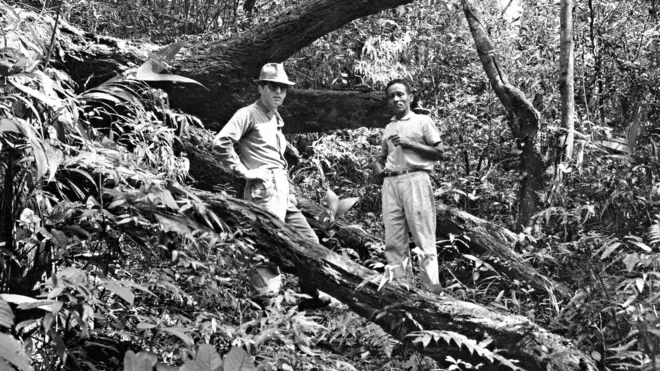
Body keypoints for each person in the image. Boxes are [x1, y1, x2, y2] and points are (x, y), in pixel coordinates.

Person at [213, 62, 330, 310]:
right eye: (274, 87)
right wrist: (243, 171)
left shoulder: (274, 118)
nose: (279, 93)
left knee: (310, 242)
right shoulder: (247, 114)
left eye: (283, 89)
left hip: (283, 190)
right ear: (262, 88)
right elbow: (220, 143)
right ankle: (268, 309)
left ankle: (309, 297)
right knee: (267, 246)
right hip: (263, 190)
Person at [371, 79, 448, 292]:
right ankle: (401, 290)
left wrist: (409, 144)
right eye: (391, 96)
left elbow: (440, 152)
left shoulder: (422, 121)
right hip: (391, 182)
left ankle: (431, 292)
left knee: (423, 237)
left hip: (416, 179)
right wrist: (377, 166)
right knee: (394, 239)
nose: (396, 99)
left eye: (400, 94)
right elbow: (381, 156)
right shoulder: (389, 126)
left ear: (410, 98)